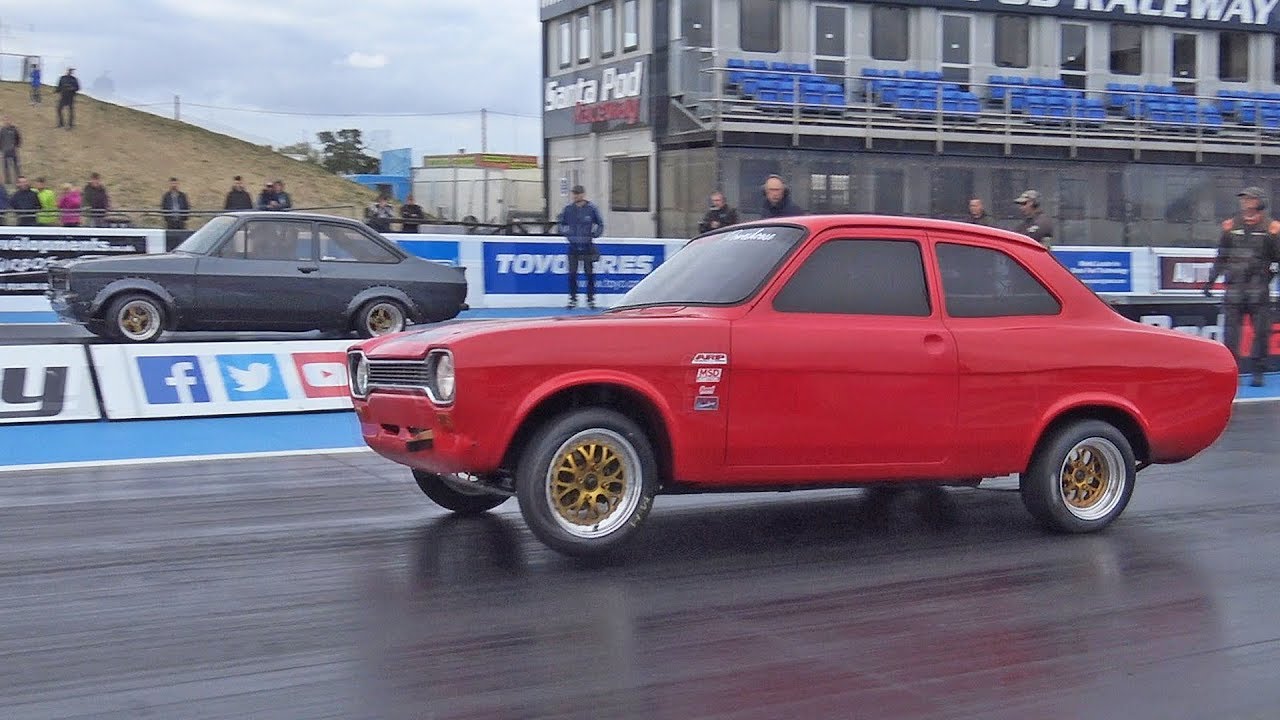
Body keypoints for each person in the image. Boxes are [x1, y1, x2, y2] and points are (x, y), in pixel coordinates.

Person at [1203, 186, 1280, 387]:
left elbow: (1278, 259)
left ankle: (1258, 372)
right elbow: (1222, 256)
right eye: (1243, 200)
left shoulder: (1272, 228)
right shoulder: (1231, 226)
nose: (1245, 203)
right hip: (1234, 288)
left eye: (1250, 199)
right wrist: (1211, 281)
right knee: (1230, 333)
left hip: (1258, 289)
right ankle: (1231, 371)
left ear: (1260, 202)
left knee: (1262, 332)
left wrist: (1267, 277)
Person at [556, 184, 604, 309]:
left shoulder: (591, 208)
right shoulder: (568, 209)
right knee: (572, 274)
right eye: (574, 194)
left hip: (587, 245)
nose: (576, 196)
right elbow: (560, 223)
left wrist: (595, 234)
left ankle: (591, 300)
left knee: (589, 274)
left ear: (583, 194)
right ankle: (573, 299)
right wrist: (566, 233)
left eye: (578, 194)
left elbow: (600, 224)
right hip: (573, 246)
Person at [0, 117, 20, 185]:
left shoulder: (14, 129)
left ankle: (18, 180)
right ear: (4, 122)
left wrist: (16, 145)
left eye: (8, 120)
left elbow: (18, 137)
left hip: (13, 150)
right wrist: (1, 149)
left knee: (16, 166)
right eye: (5, 120)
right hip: (5, 151)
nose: (7, 122)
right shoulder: (2, 130)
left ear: (11, 121)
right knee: (5, 167)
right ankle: (8, 181)